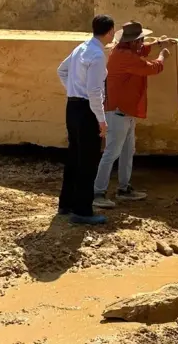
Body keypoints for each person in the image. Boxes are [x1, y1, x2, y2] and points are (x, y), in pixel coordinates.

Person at [93, 21, 174, 209]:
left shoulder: (122, 51)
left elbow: (141, 52)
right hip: (119, 112)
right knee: (112, 153)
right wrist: (162, 56)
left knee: (127, 151)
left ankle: (124, 189)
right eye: (140, 40)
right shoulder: (125, 57)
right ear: (132, 42)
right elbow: (152, 68)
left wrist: (157, 44)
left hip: (124, 112)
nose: (141, 43)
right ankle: (98, 192)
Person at [57, 15, 115, 225]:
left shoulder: (81, 48)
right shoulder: (98, 55)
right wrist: (101, 120)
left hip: (73, 106)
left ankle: (66, 203)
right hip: (86, 109)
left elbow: (61, 70)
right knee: (88, 160)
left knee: (74, 155)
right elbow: (94, 90)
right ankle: (82, 210)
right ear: (109, 32)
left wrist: (73, 90)